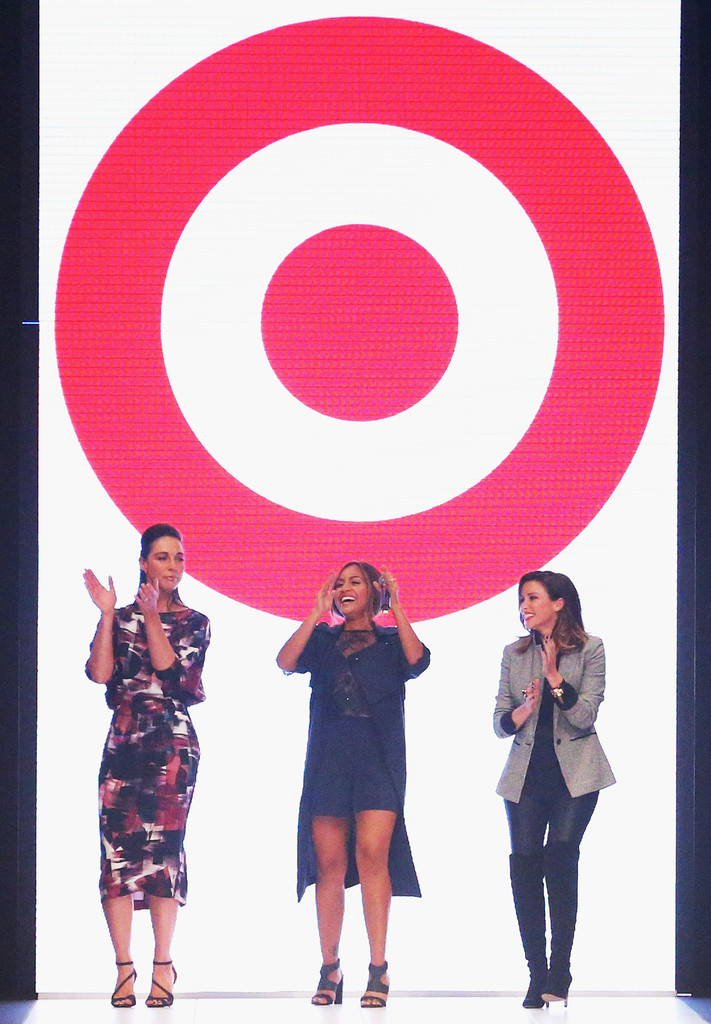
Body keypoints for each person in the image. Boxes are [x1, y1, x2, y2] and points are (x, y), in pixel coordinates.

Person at [277, 561, 430, 1008]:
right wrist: (316, 612)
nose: (345, 588)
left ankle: (378, 968)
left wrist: (396, 607)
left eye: (355, 582)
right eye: (340, 583)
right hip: (329, 758)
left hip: (378, 759)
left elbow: (418, 661)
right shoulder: (323, 639)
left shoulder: (390, 641)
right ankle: (330, 967)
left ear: (373, 591)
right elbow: (285, 661)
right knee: (329, 863)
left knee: (372, 855)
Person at [84, 523, 210, 1009]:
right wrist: (107, 615)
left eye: (179, 558)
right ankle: (122, 967)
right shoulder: (119, 618)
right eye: (162, 557)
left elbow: (170, 672)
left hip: (171, 746)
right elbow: (100, 673)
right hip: (124, 740)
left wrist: (153, 616)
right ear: (143, 563)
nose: (173, 566)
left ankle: (162, 965)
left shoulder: (195, 622)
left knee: (163, 855)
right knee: (116, 853)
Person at [493, 570, 615, 1009]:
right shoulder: (513, 653)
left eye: (532, 598)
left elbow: (584, 717)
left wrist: (554, 678)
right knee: (525, 865)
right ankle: (536, 973)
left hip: (576, 775)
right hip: (526, 775)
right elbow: (499, 723)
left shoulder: (590, 648)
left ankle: (560, 968)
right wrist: (523, 710)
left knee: (560, 858)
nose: (524, 607)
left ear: (558, 602)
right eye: (521, 600)